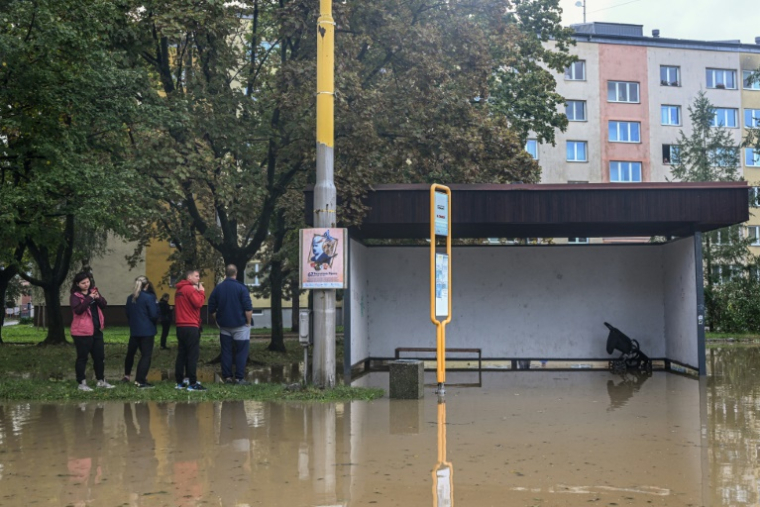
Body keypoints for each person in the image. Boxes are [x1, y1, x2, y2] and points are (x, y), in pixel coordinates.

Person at [208, 265, 253, 385]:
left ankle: (227, 377)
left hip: (225, 326)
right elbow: (248, 308)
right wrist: (248, 323)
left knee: (226, 351)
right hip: (240, 326)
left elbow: (211, 307)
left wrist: (218, 320)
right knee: (241, 351)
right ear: (236, 273)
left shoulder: (218, 288)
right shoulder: (241, 288)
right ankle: (239, 378)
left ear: (225, 274)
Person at [69, 272, 114, 391]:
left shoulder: (93, 292)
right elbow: (79, 310)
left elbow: (104, 305)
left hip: (96, 330)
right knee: (82, 357)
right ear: (77, 284)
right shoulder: (75, 296)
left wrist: (98, 297)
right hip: (82, 332)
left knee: (99, 357)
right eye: (83, 283)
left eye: (87, 282)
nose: (86, 284)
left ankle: (101, 380)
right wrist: (89, 298)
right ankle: (82, 383)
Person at [123, 276, 159, 388]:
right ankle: (140, 380)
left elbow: (128, 314)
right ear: (147, 285)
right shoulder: (149, 297)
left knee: (131, 353)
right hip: (147, 331)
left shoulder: (130, 298)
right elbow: (154, 314)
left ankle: (128, 376)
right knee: (146, 356)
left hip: (134, 330)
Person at [174, 269, 207, 391]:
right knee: (193, 355)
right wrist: (202, 292)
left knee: (182, 354)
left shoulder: (179, 290)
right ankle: (192, 383)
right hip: (190, 325)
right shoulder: (189, 289)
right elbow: (198, 303)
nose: (198, 278)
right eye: (196, 276)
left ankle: (180, 381)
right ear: (189, 277)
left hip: (180, 326)